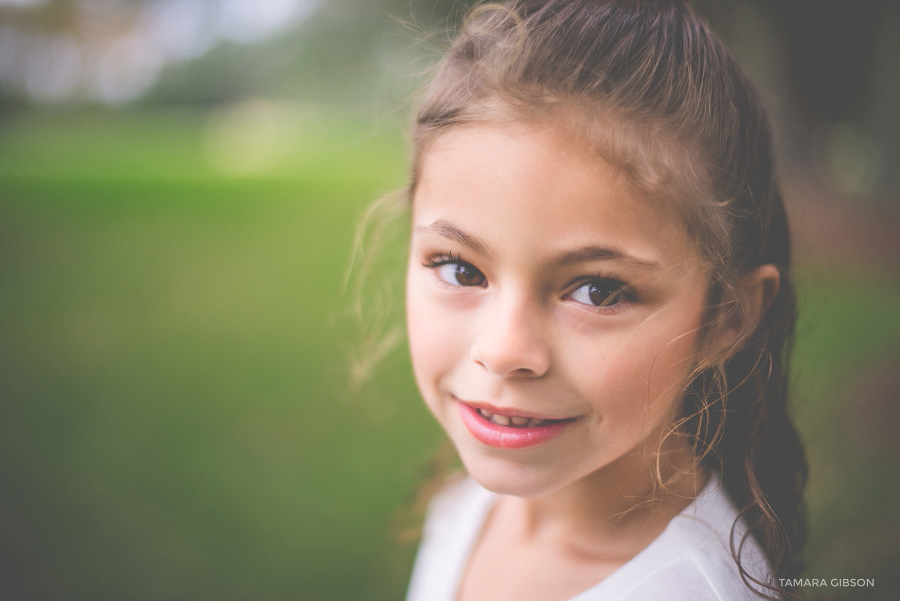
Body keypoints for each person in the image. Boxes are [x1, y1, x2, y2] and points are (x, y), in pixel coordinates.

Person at [392, 1, 807, 599]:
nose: (506, 351)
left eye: (598, 290)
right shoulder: (466, 504)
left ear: (726, 317)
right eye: (460, 269)